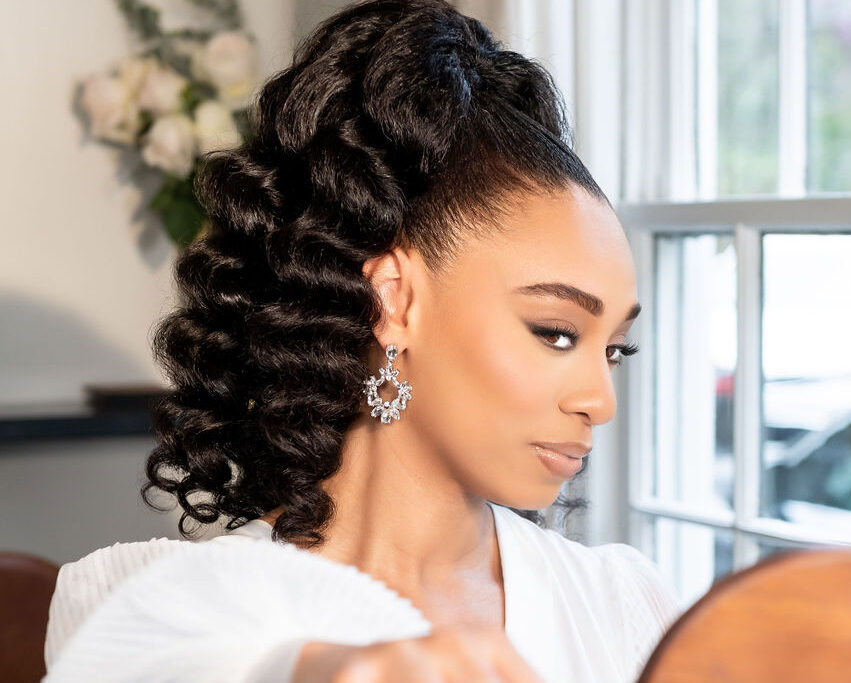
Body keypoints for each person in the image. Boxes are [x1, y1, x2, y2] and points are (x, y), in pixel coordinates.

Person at [43, 0, 683, 680]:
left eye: (615, 349)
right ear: (394, 301)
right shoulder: (150, 611)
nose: (601, 400)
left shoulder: (625, 605)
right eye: (557, 333)